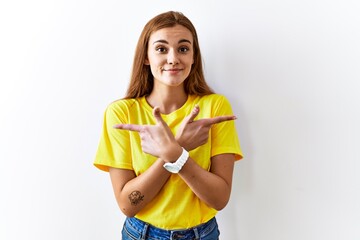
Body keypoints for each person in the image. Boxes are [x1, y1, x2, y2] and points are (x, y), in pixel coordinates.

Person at [94, 11, 243, 240]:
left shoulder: (215, 107)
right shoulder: (122, 113)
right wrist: (175, 152)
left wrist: (175, 154)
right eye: (161, 49)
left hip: (202, 234)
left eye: (183, 49)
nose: (173, 58)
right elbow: (127, 205)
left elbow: (219, 199)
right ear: (146, 57)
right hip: (140, 233)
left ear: (194, 57)